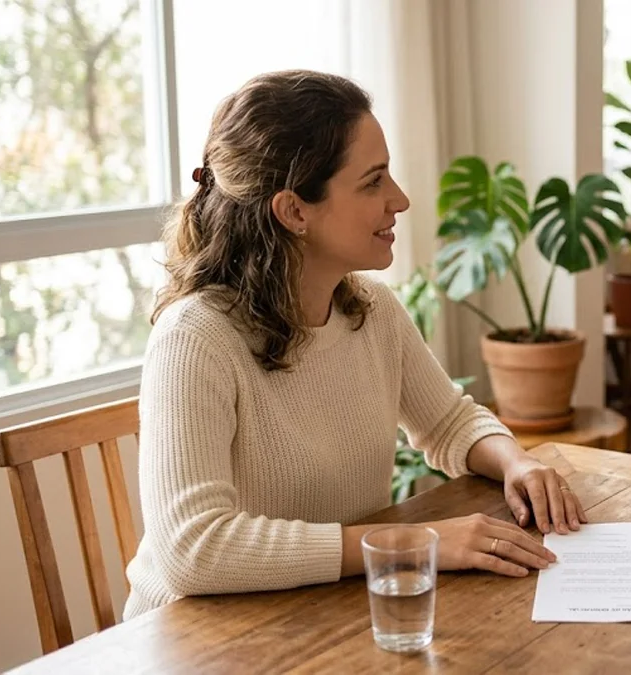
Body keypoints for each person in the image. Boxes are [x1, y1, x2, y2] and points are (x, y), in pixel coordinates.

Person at [124, 70, 585, 619]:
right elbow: (193, 550)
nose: (400, 199)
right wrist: (410, 543)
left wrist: (515, 463)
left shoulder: (370, 308)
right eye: (373, 182)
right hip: (196, 635)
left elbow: (447, 422)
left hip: (323, 611)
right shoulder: (194, 338)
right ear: (295, 211)